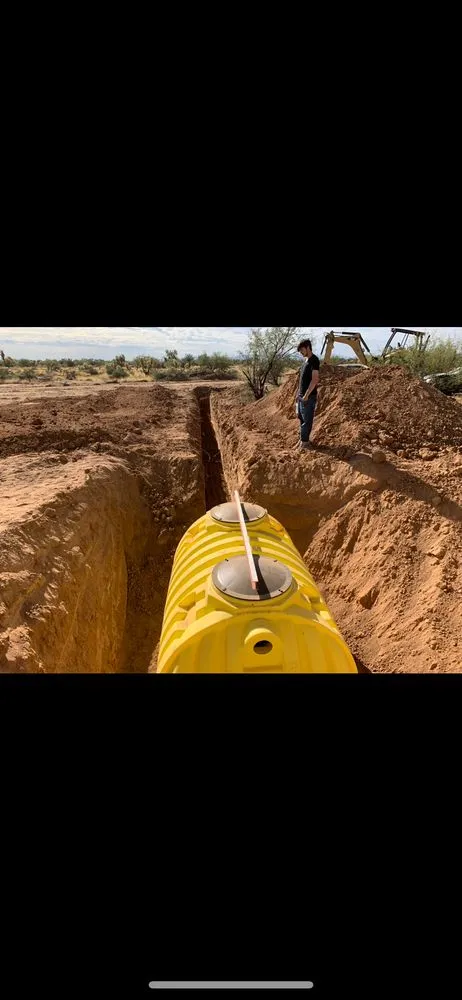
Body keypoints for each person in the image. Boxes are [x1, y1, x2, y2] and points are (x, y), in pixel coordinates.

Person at [295, 338, 320, 450]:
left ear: (308, 347)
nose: (301, 353)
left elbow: (314, 380)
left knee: (307, 421)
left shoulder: (314, 360)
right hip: (301, 396)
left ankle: (304, 443)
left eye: (302, 350)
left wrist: (306, 395)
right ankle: (303, 440)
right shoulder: (305, 361)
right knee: (301, 419)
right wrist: (298, 394)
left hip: (308, 397)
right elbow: (302, 380)